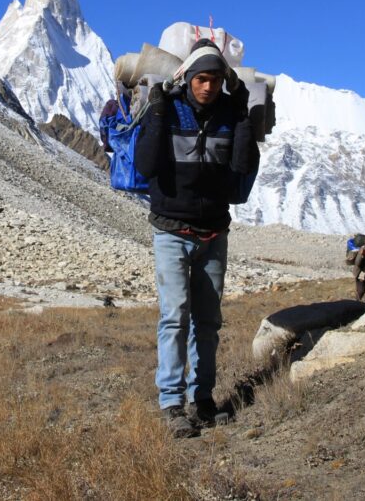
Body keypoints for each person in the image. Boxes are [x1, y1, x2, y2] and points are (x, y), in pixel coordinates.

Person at [134, 38, 260, 437]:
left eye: (215, 79)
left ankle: (202, 399)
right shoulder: (168, 109)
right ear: (188, 78)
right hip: (171, 230)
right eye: (201, 79)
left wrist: (241, 114)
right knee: (175, 318)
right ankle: (171, 404)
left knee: (207, 322)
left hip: (213, 232)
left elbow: (242, 166)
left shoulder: (229, 115)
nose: (207, 87)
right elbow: (146, 165)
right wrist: (156, 110)